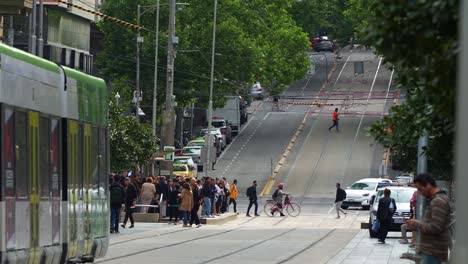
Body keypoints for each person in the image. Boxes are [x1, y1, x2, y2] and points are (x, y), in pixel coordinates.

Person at [405, 173, 450, 263]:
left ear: (428, 185)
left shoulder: (438, 201)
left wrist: (416, 223)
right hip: (430, 252)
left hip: (432, 253)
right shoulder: (437, 199)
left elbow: (436, 227)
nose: (420, 193)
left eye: (420, 189)